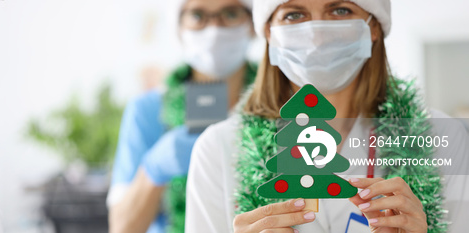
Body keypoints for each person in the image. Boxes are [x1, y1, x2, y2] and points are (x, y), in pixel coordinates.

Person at [185, 0, 469, 232]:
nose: (316, 36)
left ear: (373, 27)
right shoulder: (218, 148)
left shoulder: (441, 137)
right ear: (269, 32)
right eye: (294, 14)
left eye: (340, 10)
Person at [106, 0, 257, 232]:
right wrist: (153, 169)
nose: (214, 29)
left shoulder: (284, 101)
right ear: (178, 27)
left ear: (254, 24)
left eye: (231, 13)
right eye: (197, 16)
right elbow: (122, 227)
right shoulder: (147, 109)